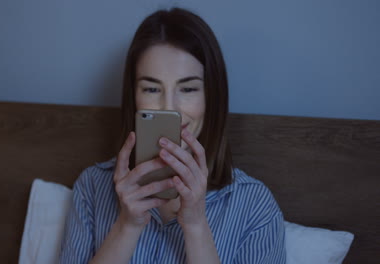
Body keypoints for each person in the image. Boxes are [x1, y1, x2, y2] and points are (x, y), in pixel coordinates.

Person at [59, 7, 286, 264]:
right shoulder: (92, 187)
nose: (169, 107)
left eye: (188, 88)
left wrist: (196, 225)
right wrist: (127, 226)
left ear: (212, 97)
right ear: (133, 97)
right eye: (152, 88)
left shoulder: (255, 205)